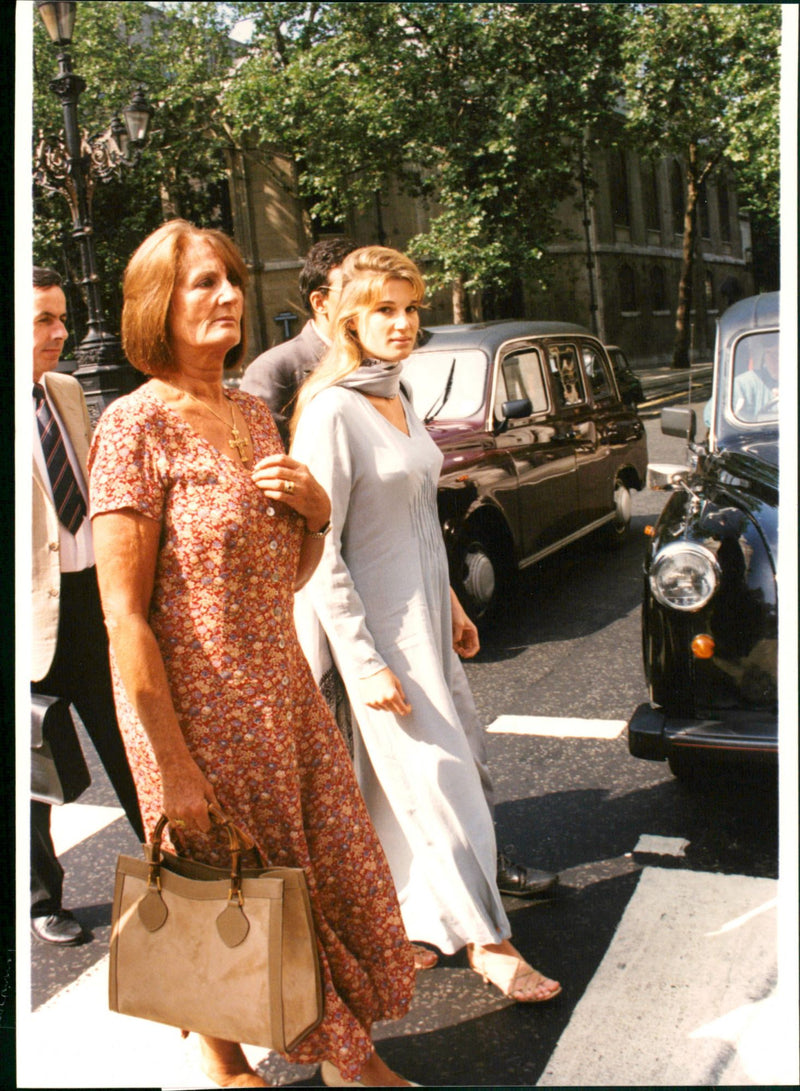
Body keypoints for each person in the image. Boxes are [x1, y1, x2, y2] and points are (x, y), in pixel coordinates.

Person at [87, 220, 416, 1089]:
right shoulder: (132, 426)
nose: (230, 295)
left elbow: (291, 572)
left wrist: (313, 514)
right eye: (205, 283)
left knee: (322, 875)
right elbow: (124, 616)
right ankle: (283, 1062)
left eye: (233, 278)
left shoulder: (251, 410)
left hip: (282, 690)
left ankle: (265, 1053)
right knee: (229, 889)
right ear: (160, 302)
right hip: (196, 707)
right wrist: (173, 766)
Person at [290, 246, 562, 1004]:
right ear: (348, 317)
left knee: (416, 779)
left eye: (412, 309)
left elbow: (418, 517)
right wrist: (364, 658)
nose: (404, 323)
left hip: (424, 623)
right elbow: (318, 549)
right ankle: (491, 943)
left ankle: (410, 924)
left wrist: (450, 606)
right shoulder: (331, 409)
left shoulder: (397, 394)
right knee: (440, 779)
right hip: (374, 632)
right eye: (386, 309)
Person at [31, 267, 144, 947]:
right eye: (44, 319)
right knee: (32, 773)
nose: (62, 331)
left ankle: (178, 864)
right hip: (27, 621)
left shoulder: (67, 391)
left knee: (135, 742)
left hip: (89, 601)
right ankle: (42, 897)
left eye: (62, 317)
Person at [241, 238, 357, 448]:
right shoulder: (273, 369)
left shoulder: (378, 363)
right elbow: (264, 460)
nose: (365, 301)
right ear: (320, 302)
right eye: (352, 292)